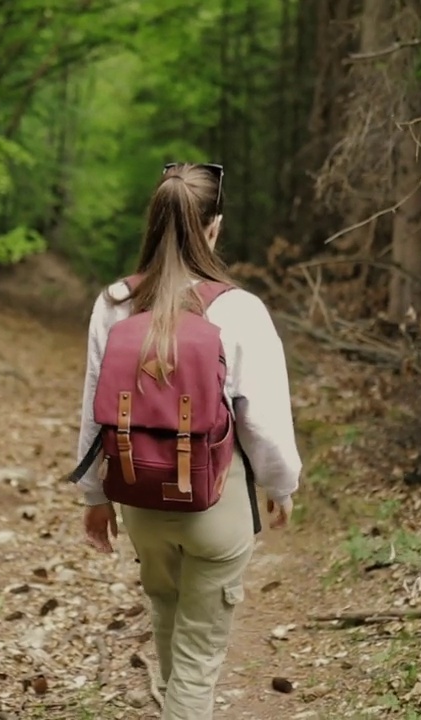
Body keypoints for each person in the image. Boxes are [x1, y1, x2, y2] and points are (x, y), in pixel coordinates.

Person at [73, 162, 303, 719]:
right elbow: (262, 419)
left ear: (153, 222)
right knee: (200, 657)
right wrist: (281, 485)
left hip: (139, 496)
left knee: (168, 617)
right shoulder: (241, 310)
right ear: (214, 227)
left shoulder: (114, 302)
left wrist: (94, 497)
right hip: (215, 501)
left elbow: (93, 411)